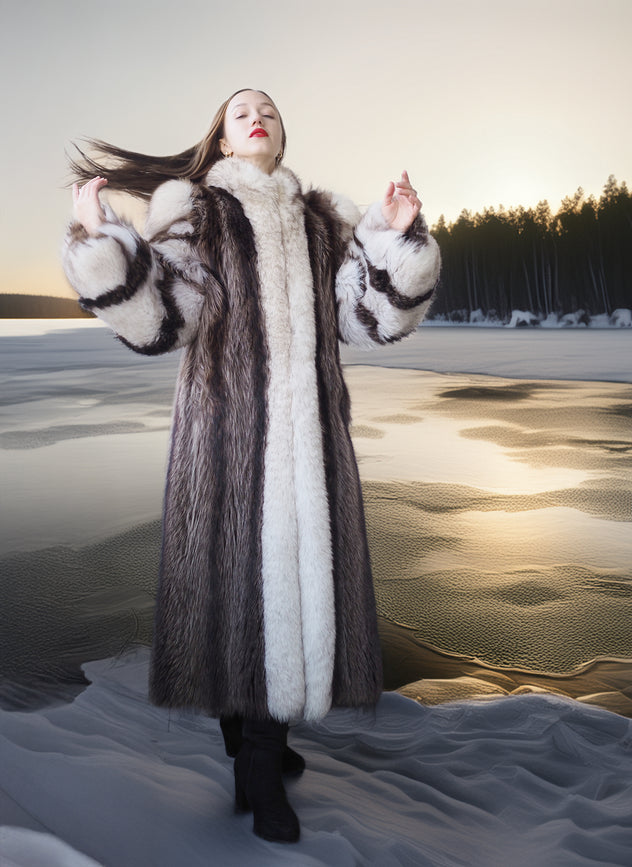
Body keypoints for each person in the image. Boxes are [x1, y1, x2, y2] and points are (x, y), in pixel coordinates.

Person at [62, 88, 441, 843]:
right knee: (241, 589)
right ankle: (255, 763)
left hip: (311, 443)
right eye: (240, 111)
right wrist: (106, 245)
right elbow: (172, 311)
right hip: (227, 439)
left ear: (280, 134)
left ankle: (260, 745)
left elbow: (363, 317)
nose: (256, 114)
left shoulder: (322, 221)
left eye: (266, 107)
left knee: (288, 591)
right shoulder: (195, 211)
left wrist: (395, 240)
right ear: (226, 142)